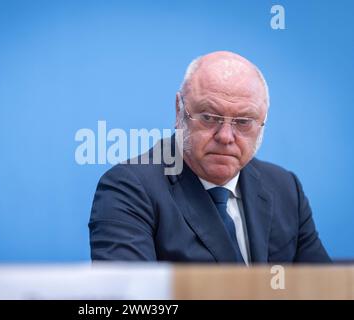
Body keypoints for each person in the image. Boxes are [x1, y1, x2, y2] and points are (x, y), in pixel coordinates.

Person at [89, 51, 331, 264]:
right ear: (179, 111)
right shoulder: (129, 188)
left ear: (263, 122)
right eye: (209, 117)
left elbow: (325, 289)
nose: (226, 136)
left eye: (243, 122)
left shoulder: (285, 188)